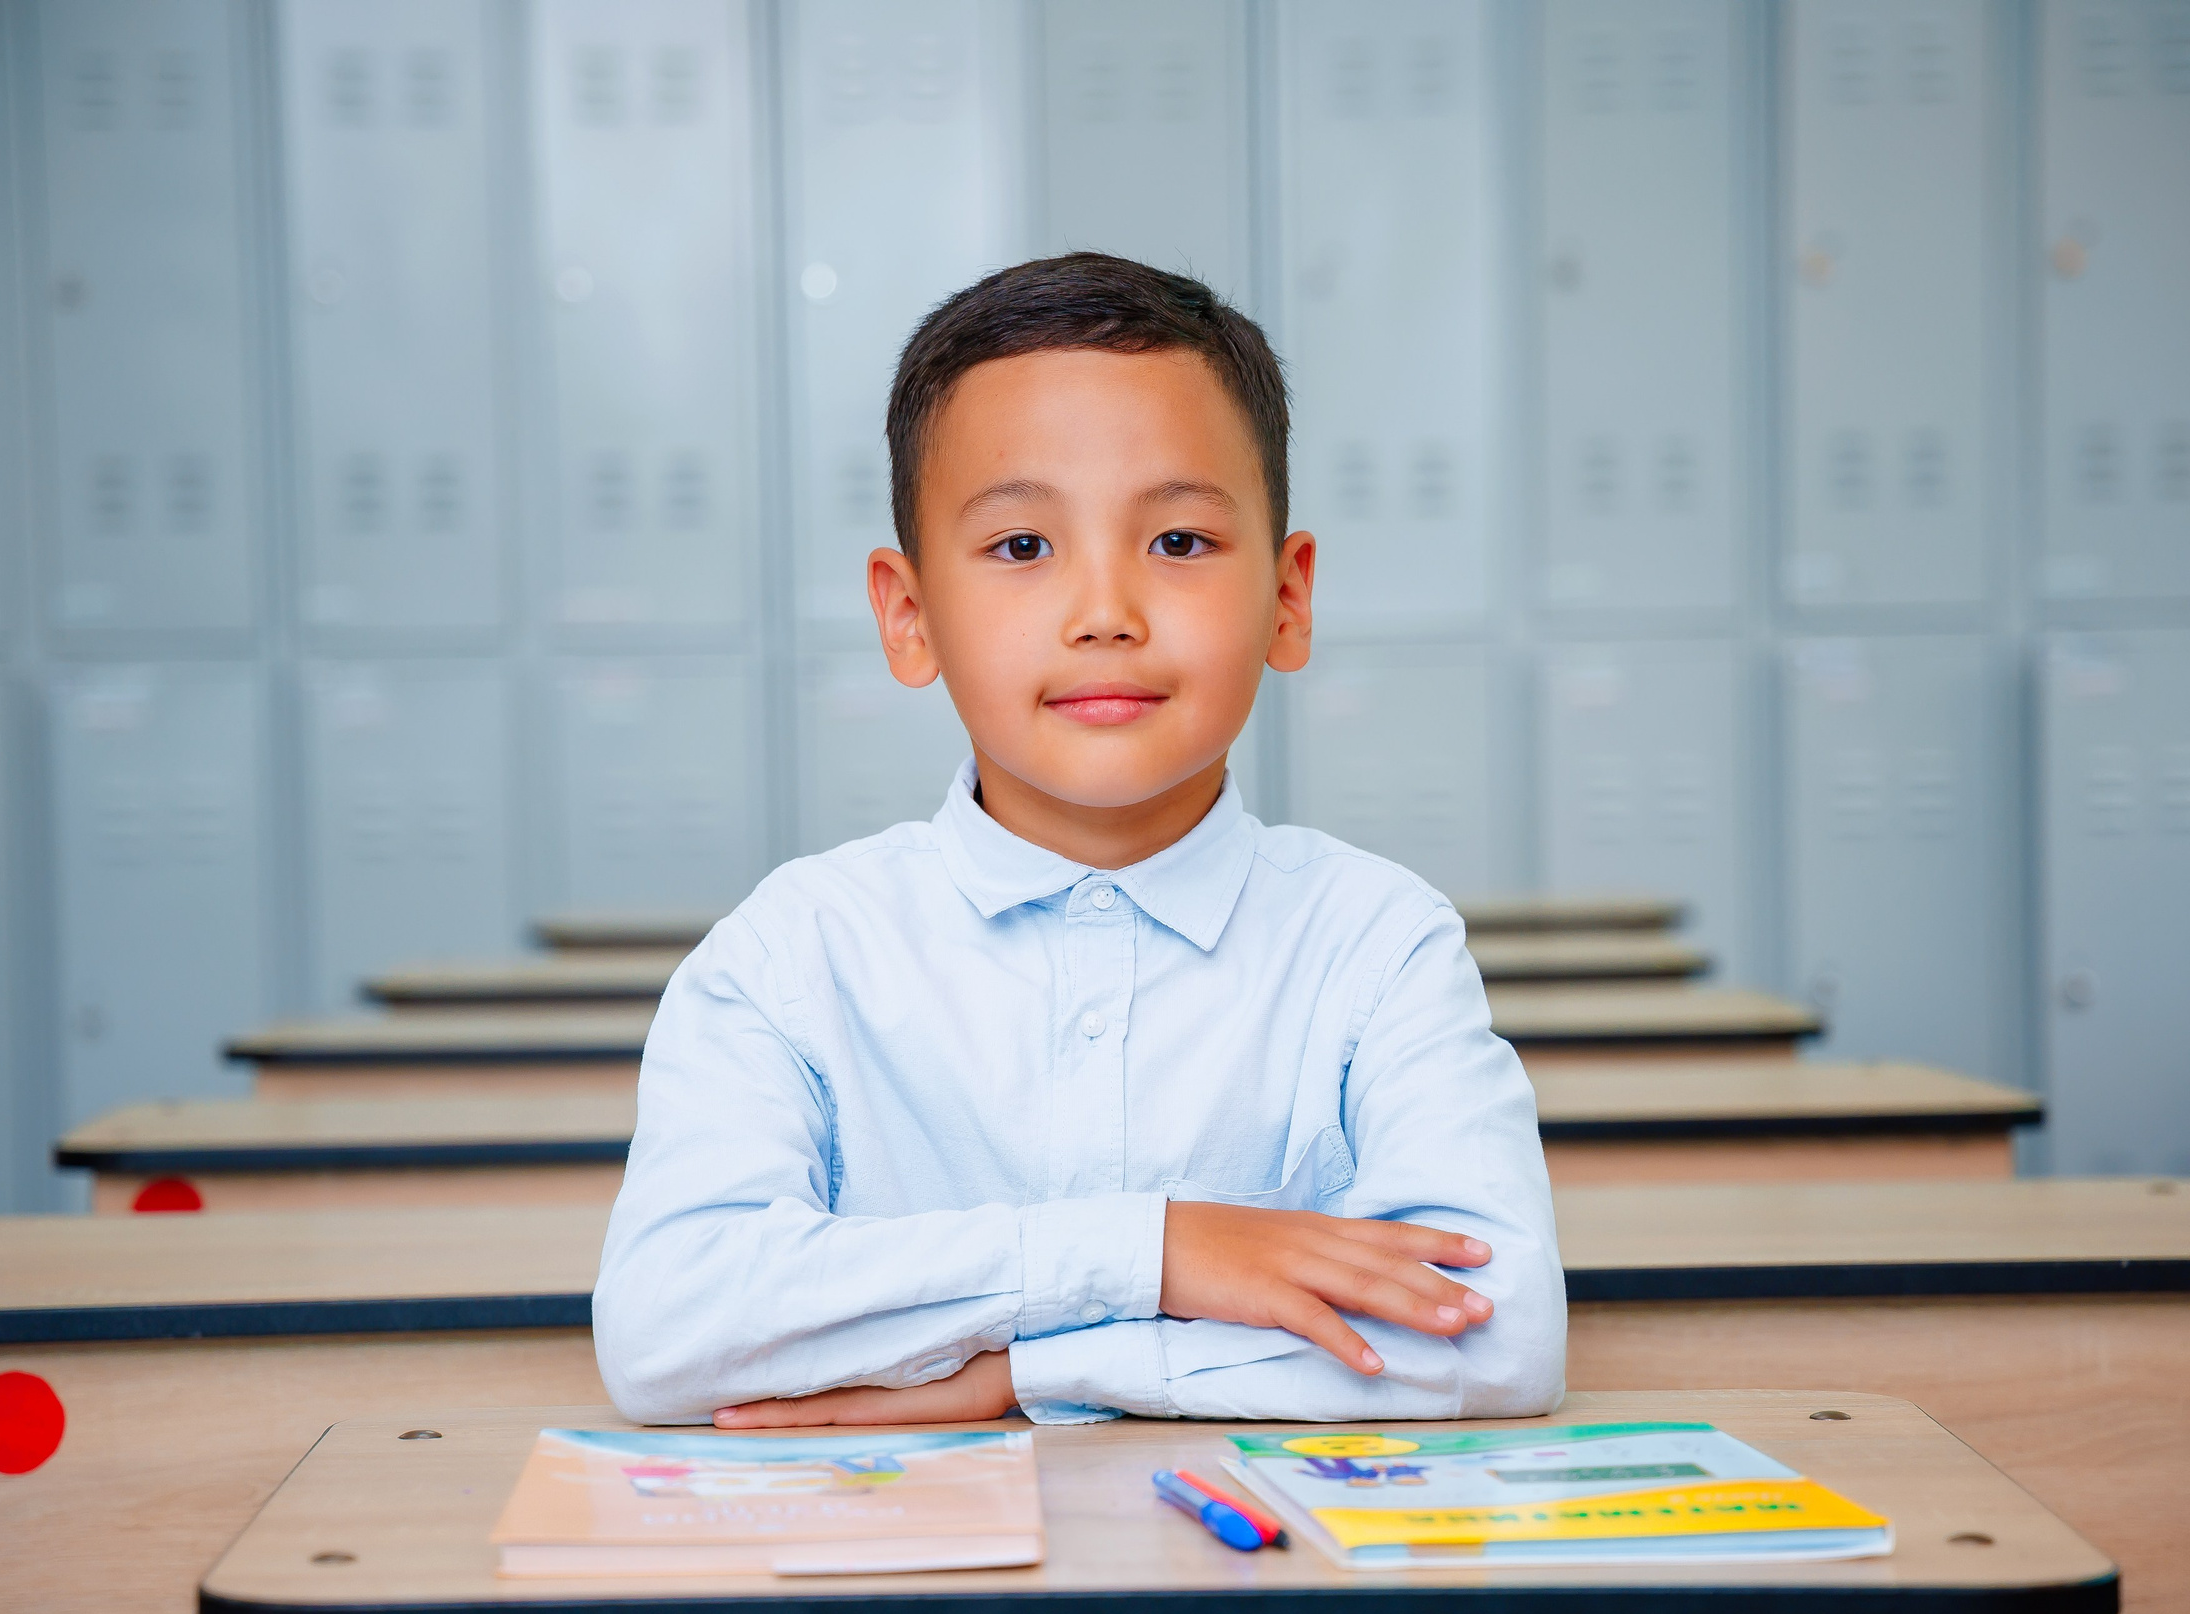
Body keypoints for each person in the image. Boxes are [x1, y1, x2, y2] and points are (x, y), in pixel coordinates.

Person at [593, 253, 1564, 1426]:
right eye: (1020, 548)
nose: (1105, 611)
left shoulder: (1375, 945)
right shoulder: (796, 957)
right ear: (908, 618)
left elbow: (1494, 1337)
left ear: (1288, 597)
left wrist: (1028, 1373)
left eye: (1180, 543)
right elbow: (668, 1329)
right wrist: (1158, 1255)